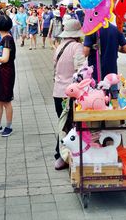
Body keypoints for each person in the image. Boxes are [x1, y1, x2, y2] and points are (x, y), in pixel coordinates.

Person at [53, 19, 85, 170]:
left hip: (57, 91)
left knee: (63, 123)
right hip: (70, 93)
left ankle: (62, 155)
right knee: (69, 125)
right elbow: (80, 71)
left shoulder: (59, 47)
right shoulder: (77, 47)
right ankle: (63, 156)